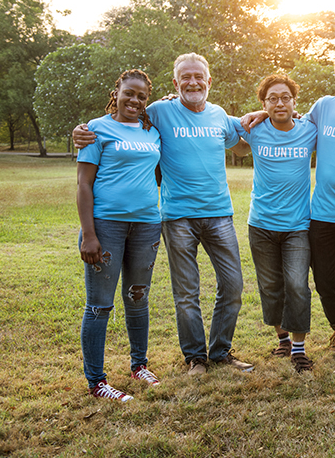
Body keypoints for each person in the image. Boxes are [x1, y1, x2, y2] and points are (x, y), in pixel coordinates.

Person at [73, 53, 253, 376]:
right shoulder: (157, 112)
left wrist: (265, 127)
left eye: (199, 77)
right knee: (186, 292)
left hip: (219, 214)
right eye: (186, 77)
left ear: (209, 81)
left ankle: (221, 350)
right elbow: (119, 118)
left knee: (234, 284)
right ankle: (196, 357)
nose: (193, 82)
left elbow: (239, 144)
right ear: (175, 83)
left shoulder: (219, 115)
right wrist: (81, 131)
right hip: (176, 216)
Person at [243, 55, 335, 364]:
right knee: (324, 280)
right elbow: (290, 120)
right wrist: (265, 110)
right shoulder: (324, 107)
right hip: (321, 214)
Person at [76, 69, 162, 401]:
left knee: (137, 298)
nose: (135, 100)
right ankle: (97, 382)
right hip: (106, 226)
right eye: (130, 93)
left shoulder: (151, 130)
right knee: (99, 305)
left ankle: (139, 365)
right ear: (118, 91)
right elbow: (83, 183)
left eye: (141, 96)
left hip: (146, 225)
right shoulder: (95, 130)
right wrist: (89, 234)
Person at [236, 74, 317, 373]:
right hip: (261, 224)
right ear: (263, 103)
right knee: (270, 286)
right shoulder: (254, 130)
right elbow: (214, 121)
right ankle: (282, 338)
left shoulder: (310, 130)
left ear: (295, 101)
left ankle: (298, 349)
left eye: (285, 97)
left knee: (297, 285)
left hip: (297, 225)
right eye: (272, 98)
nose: (279, 102)